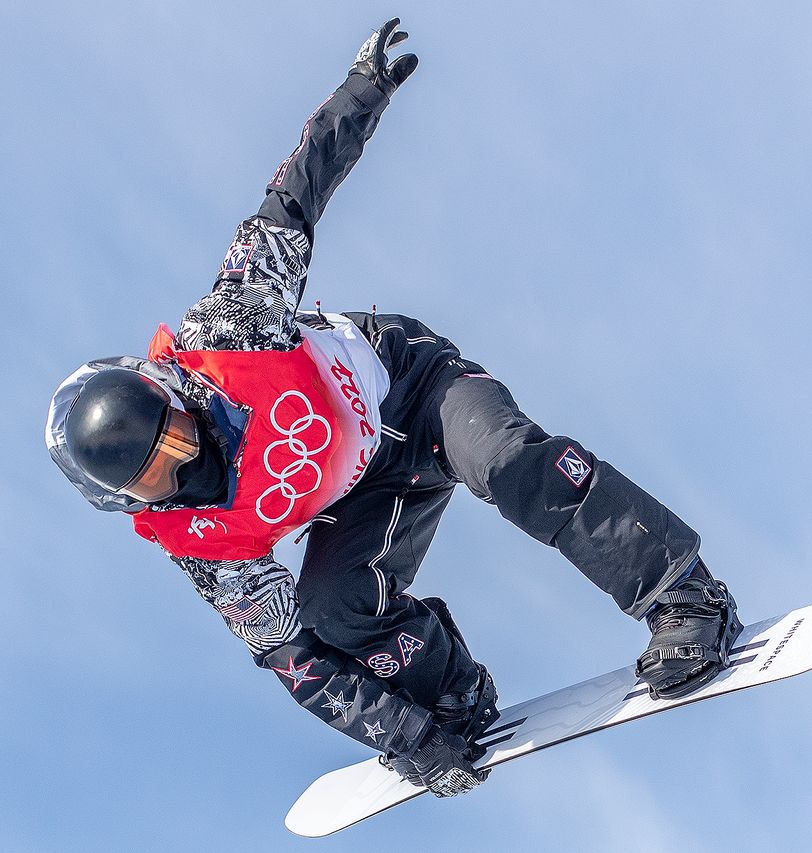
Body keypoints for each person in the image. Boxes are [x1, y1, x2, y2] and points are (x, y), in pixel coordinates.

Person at [45, 18, 742, 798]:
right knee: (334, 610)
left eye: (173, 428)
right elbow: (293, 657)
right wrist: (407, 735)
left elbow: (293, 202)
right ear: (131, 503)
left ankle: (687, 597)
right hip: (370, 490)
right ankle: (454, 690)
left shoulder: (231, 329)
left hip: (414, 388)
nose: (186, 456)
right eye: (158, 473)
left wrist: (362, 91)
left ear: (170, 390)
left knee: (509, 463)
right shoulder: (205, 549)